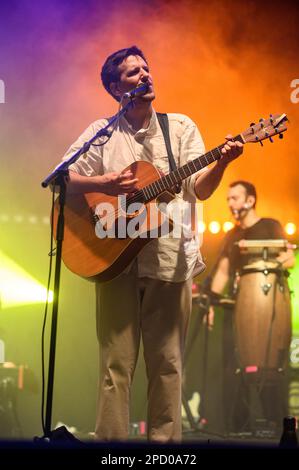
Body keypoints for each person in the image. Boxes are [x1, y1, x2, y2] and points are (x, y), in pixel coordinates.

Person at [61, 46, 243, 442]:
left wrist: (223, 163)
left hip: (169, 259)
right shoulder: (100, 133)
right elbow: (63, 180)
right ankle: (110, 447)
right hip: (113, 259)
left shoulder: (178, 127)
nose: (145, 75)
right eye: (132, 73)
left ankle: (164, 448)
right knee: (115, 366)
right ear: (114, 87)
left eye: (146, 68)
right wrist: (106, 184)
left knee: (168, 365)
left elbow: (202, 189)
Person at [209, 180, 295, 435]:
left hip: (269, 304)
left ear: (250, 200)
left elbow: (288, 258)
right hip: (240, 307)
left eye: (234, 198)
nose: (230, 203)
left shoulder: (270, 225)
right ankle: (237, 427)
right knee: (233, 367)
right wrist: (211, 303)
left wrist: (268, 268)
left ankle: (279, 425)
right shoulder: (232, 235)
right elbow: (223, 272)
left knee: (271, 368)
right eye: (228, 199)